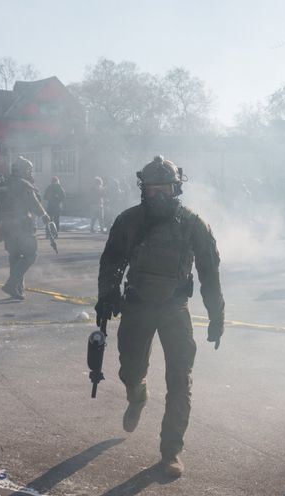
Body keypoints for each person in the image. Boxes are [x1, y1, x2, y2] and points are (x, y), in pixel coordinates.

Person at [95, 155, 225, 479]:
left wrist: (216, 314)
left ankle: (171, 452)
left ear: (176, 189)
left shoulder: (194, 224)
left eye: (165, 189)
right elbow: (111, 261)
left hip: (174, 307)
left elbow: (209, 272)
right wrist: (107, 295)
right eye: (152, 190)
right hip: (137, 304)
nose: (159, 196)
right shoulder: (129, 221)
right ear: (143, 190)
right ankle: (137, 395)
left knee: (180, 380)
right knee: (129, 370)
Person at [0, 157, 53, 300]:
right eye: (28, 170)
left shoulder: (4, 184)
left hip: (7, 226)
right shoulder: (24, 185)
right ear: (22, 170)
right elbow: (34, 203)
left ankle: (17, 289)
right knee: (30, 255)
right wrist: (45, 216)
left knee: (14, 257)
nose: (30, 173)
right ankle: (12, 284)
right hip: (22, 226)